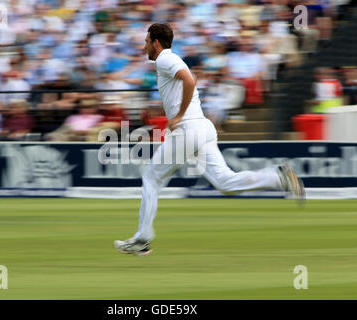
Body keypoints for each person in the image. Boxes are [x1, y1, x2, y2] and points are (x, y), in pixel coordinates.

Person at [114, 23, 305, 256]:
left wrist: (179, 115)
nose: (144, 46)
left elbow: (189, 80)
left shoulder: (164, 58)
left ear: (156, 42)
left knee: (151, 178)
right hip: (202, 128)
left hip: (187, 131)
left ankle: (142, 239)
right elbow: (184, 85)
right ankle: (278, 177)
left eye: (146, 41)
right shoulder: (167, 61)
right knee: (225, 182)